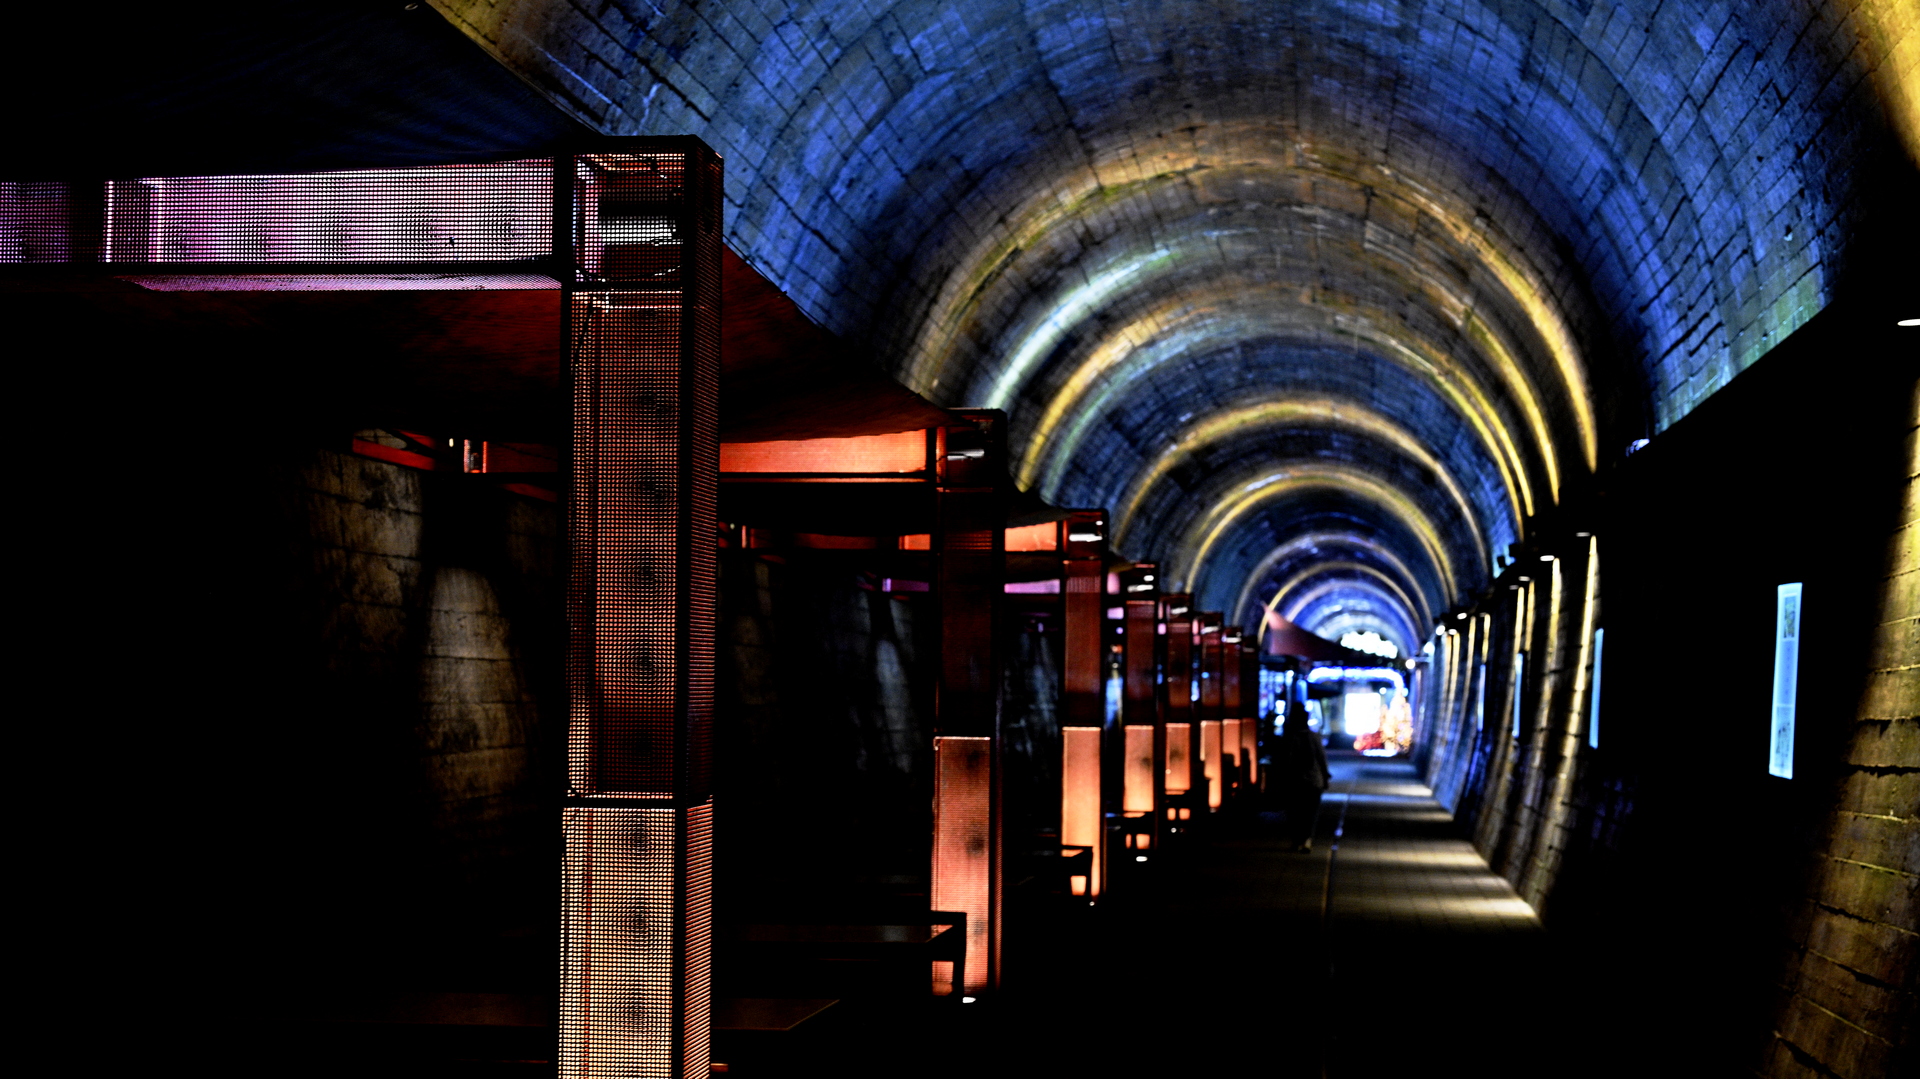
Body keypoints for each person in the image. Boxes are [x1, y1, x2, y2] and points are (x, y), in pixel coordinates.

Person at [1271, 698, 1331, 851]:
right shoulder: (1313, 737)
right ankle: (1306, 839)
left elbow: (1282, 761)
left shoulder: (1288, 738)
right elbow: (1321, 758)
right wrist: (1325, 777)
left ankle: (1297, 840)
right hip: (1313, 781)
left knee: (1294, 812)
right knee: (1310, 813)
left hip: (1293, 781)